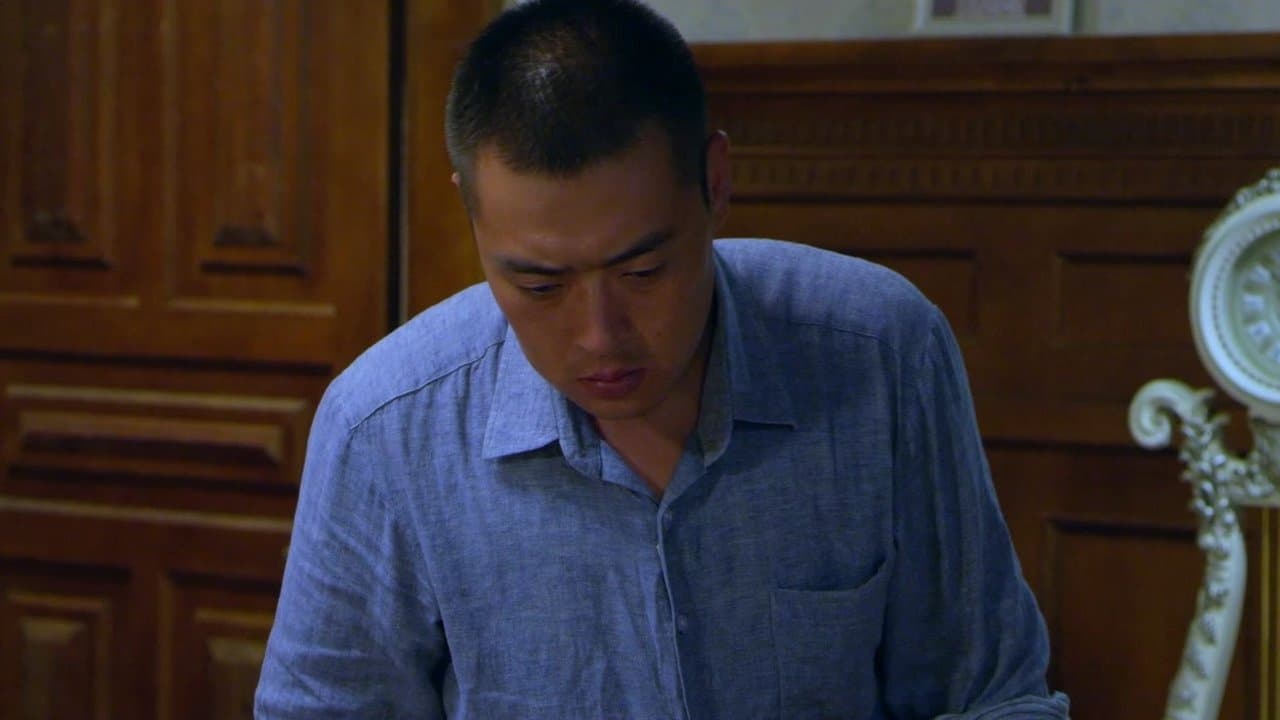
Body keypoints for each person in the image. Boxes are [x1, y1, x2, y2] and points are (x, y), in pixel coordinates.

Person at [255, 0, 1070, 717]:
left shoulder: (881, 352)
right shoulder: (385, 426)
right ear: (473, 218)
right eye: (540, 286)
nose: (600, 336)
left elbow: (995, 695)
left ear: (715, 183)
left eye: (643, 272)